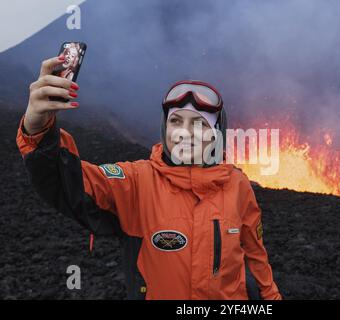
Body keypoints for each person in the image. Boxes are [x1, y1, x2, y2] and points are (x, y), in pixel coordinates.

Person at [16, 55, 282, 300]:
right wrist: (38, 128)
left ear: (217, 133)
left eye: (199, 124)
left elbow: (256, 260)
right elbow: (68, 184)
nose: (184, 133)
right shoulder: (137, 182)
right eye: (176, 122)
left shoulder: (237, 185)